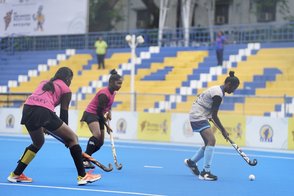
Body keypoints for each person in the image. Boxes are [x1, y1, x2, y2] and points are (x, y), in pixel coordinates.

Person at [7, 67, 101, 185]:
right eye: (70, 79)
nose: (70, 82)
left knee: (38, 142)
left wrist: (46, 125)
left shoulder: (44, 82)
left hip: (27, 109)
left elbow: (38, 103)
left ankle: (16, 174)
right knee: (73, 138)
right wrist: (67, 137)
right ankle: (83, 176)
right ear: (67, 78)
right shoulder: (66, 89)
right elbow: (63, 114)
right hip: (43, 111)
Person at [184, 71, 240, 181]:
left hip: (199, 114)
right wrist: (223, 130)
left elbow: (202, 99)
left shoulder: (216, 89)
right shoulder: (218, 94)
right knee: (212, 141)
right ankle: (206, 172)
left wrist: (208, 114)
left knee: (208, 143)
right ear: (228, 84)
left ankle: (191, 162)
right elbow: (214, 115)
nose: (233, 91)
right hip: (198, 116)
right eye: (233, 88)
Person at [81, 69, 123, 169]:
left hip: (99, 115)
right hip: (91, 114)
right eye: (118, 83)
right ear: (111, 82)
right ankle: (85, 160)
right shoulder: (104, 93)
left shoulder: (113, 93)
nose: (120, 86)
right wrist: (107, 126)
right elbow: (99, 112)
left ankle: (85, 156)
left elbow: (108, 105)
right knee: (97, 135)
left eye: (121, 83)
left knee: (100, 142)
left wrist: (109, 112)